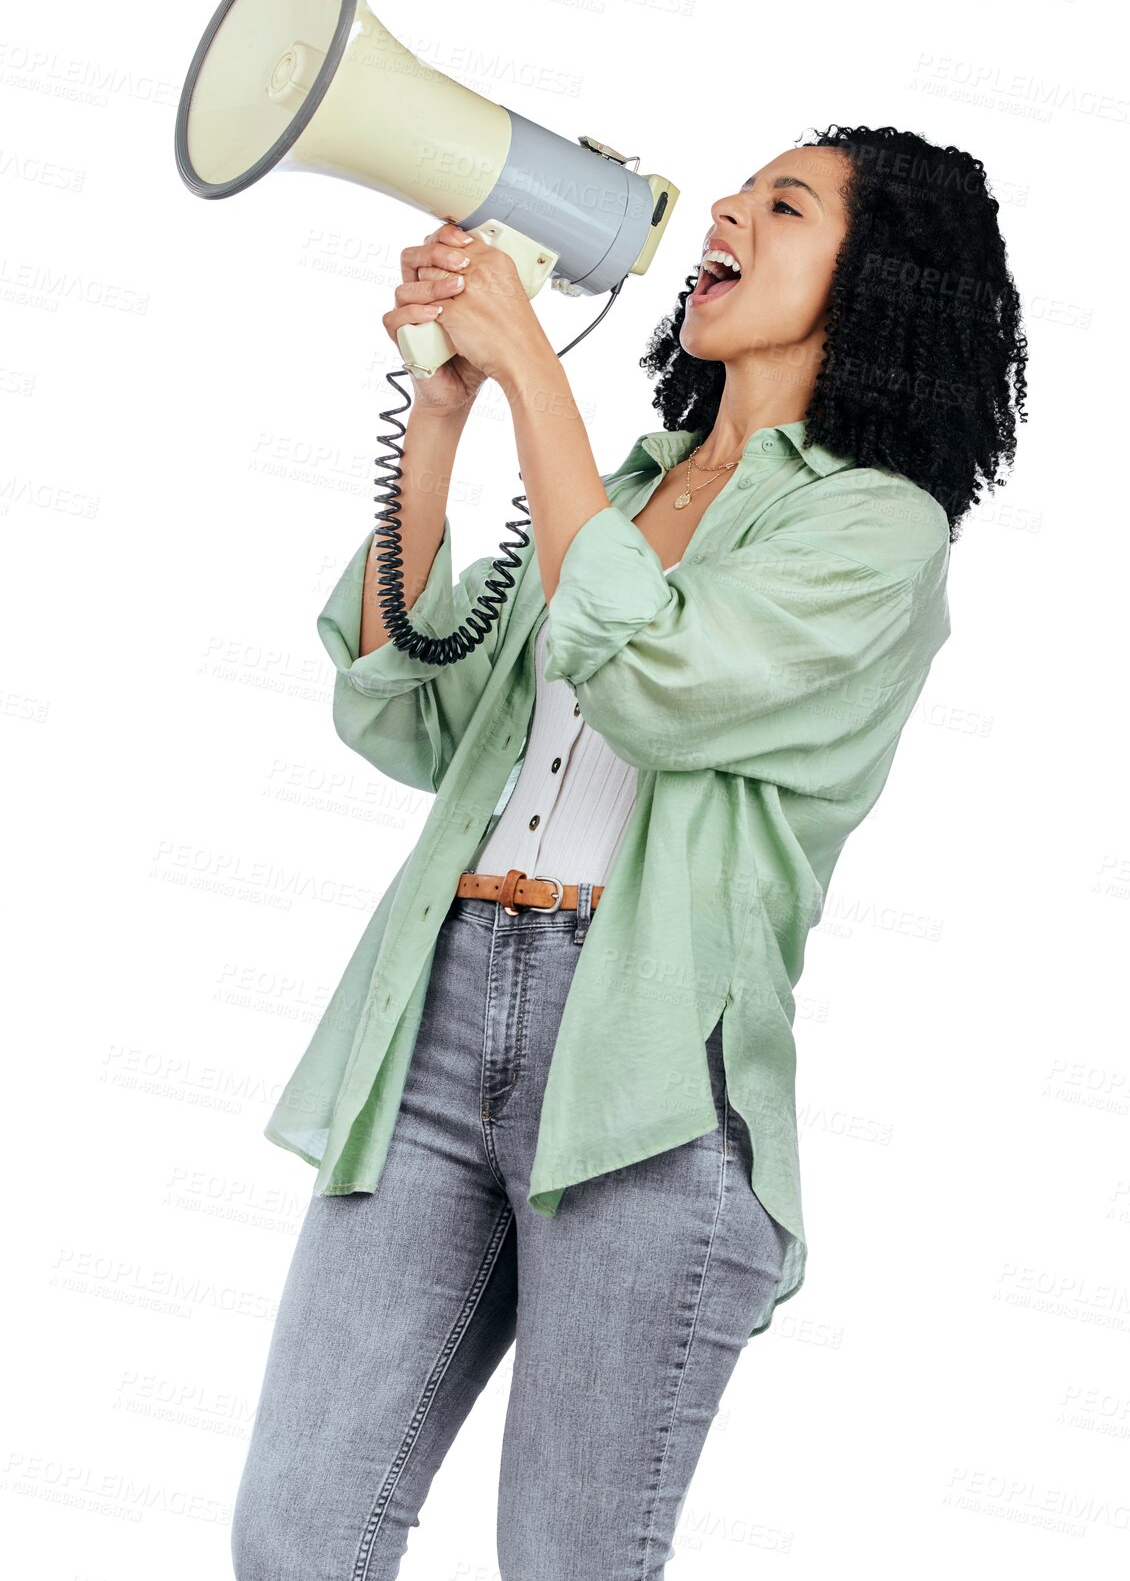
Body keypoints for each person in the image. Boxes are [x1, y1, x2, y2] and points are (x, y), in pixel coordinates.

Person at [231, 124, 1027, 1580]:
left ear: (878, 285)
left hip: (651, 1079)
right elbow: (411, 713)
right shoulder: (626, 482)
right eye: (736, 189)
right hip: (439, 1010)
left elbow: (652, 677)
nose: (725, 210)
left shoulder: (875, 533)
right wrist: (455, 409)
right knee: (295, 1536)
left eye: (781, 205)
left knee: (566, 1563)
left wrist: (536, 366)